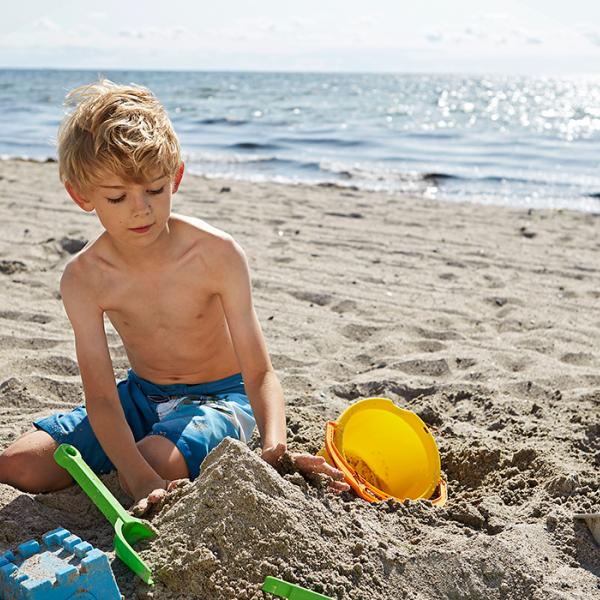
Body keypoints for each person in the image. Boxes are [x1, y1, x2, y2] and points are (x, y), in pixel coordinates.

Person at [0, 79, 349, 514]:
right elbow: (104, 397)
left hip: (222, 398)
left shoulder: (216, 254)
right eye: (117, 196)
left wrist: (276, 450)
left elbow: (259, 374)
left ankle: (157, 452)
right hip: (140, 396)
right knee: (20, 466)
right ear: (81, 195)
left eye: (154, 189)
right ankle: (141, 454)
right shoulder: (84, 278)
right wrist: (134, 476)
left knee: (152, 458)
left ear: (176, 177)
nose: (140, 209)